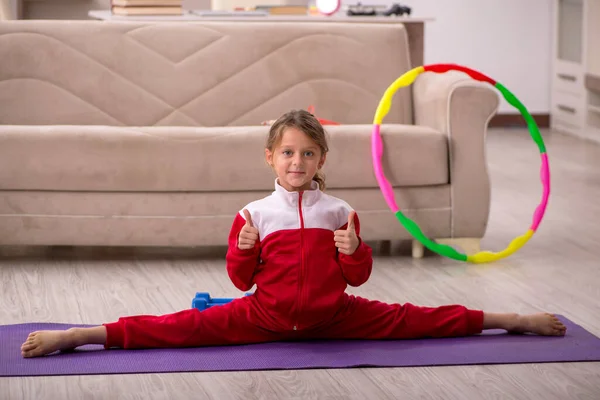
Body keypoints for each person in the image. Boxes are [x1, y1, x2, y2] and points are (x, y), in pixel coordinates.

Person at [21, 109, 566, 358]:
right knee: (177, 326)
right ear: (271, 157)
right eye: (287, 152)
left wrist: (355, 252)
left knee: (419, 318)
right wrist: (241, 251)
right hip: (264, 316)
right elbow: (238, 281)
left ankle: (510, 320)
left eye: (308, 153)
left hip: (337, 317)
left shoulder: (339, 211)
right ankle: (79, 334)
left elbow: (357, 276)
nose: (297, 161)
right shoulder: (255, 213)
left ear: (321, 158)